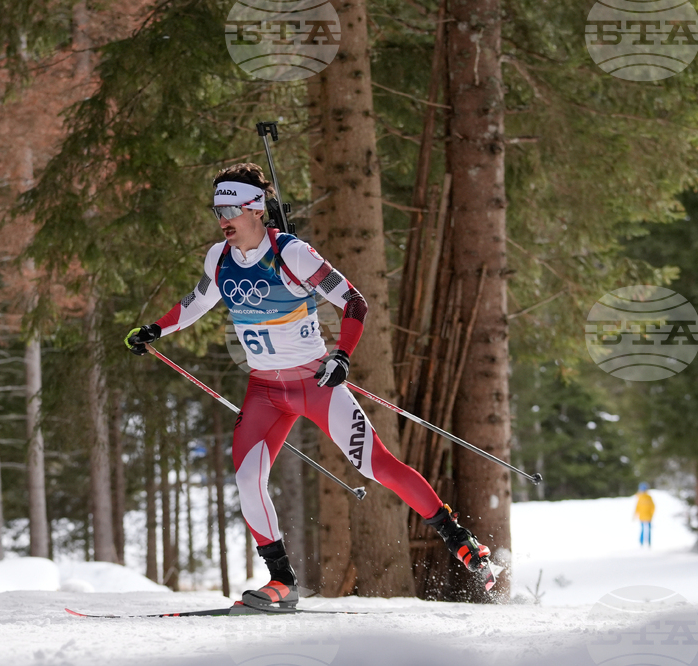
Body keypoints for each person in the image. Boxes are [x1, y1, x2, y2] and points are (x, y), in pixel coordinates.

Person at [125, 163, 492, 608]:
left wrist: (341, 356)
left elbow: (354, 301)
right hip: (264, 390)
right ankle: (281, 581)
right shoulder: (218, 258)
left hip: (314, 382)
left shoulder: (292, 253)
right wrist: (155, 330)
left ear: (256, 209)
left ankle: (458, 537)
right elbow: (196, 302)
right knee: (247, 479)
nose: (223, 217)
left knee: (375, 465)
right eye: (217, 207)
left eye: (232, 207)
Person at [634, 482, 655, 547]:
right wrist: (635, 514)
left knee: (648, 530)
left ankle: (648, 542)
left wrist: (651, 514)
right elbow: (637, 507)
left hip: (648, 516)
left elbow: (653, 507)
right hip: (642, 516)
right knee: (643, 529)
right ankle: (641, 542)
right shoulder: (640, 497)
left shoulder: (649, 497)